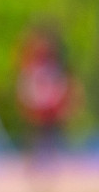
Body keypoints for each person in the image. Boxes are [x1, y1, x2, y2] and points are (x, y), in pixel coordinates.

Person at [14, 22, 74, 164]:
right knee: (36, 131)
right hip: (36, 103)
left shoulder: (56, 65)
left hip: (51, 104)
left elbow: (62, 84)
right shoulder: (30, 66)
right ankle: (36, 157)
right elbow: (26, 86)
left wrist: (57, 101)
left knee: (52, 132)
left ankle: (54, 156)